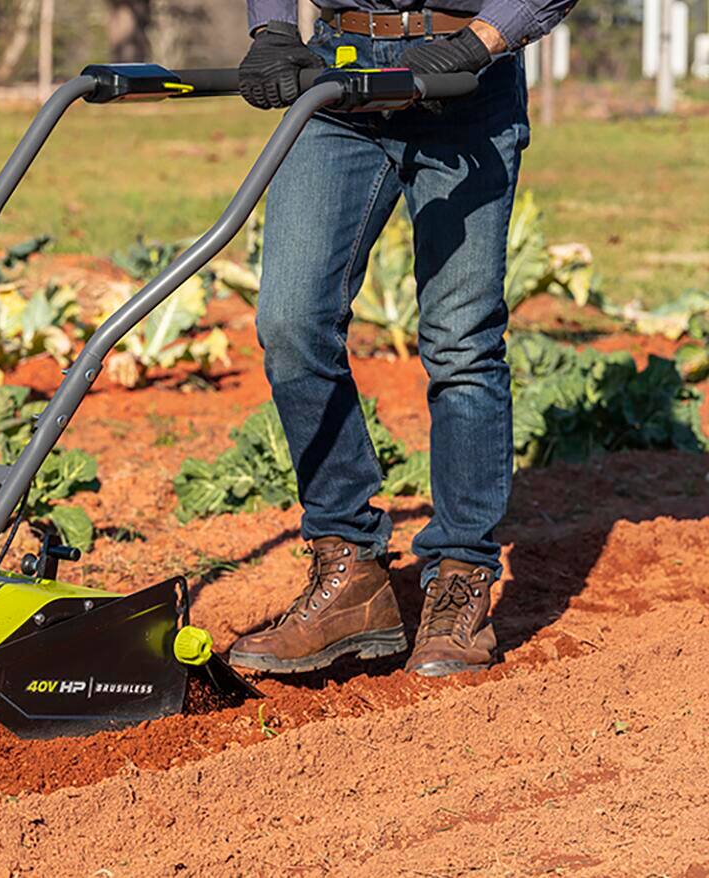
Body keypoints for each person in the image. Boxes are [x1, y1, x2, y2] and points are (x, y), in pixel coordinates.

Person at [226, 0, 575, 677]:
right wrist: (271, 28)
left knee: (461, 340)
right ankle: (348, 565)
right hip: (339, 83)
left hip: (464, 85)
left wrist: (479, 41)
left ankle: (461, 574)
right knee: (291, 321)